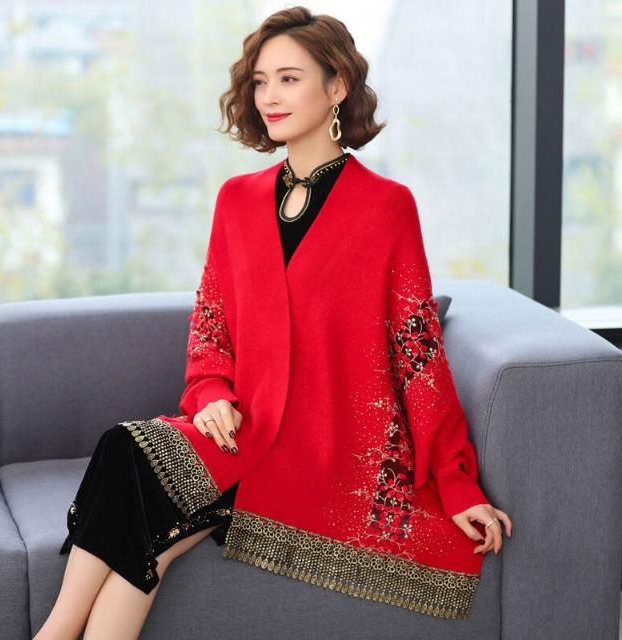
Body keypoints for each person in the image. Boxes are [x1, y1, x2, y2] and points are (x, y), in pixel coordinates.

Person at [35, 6, 513, 638]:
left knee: (134, 488)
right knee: (136, 491)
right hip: (243, 432)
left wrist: (457, 484)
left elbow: (418, 354)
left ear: (337, 86)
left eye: (289, 79)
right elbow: (212, 324)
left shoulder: (387, 208)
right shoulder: (237, 201)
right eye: (260, 82)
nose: (269, 97)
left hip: (327, 449)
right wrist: (212, 392)